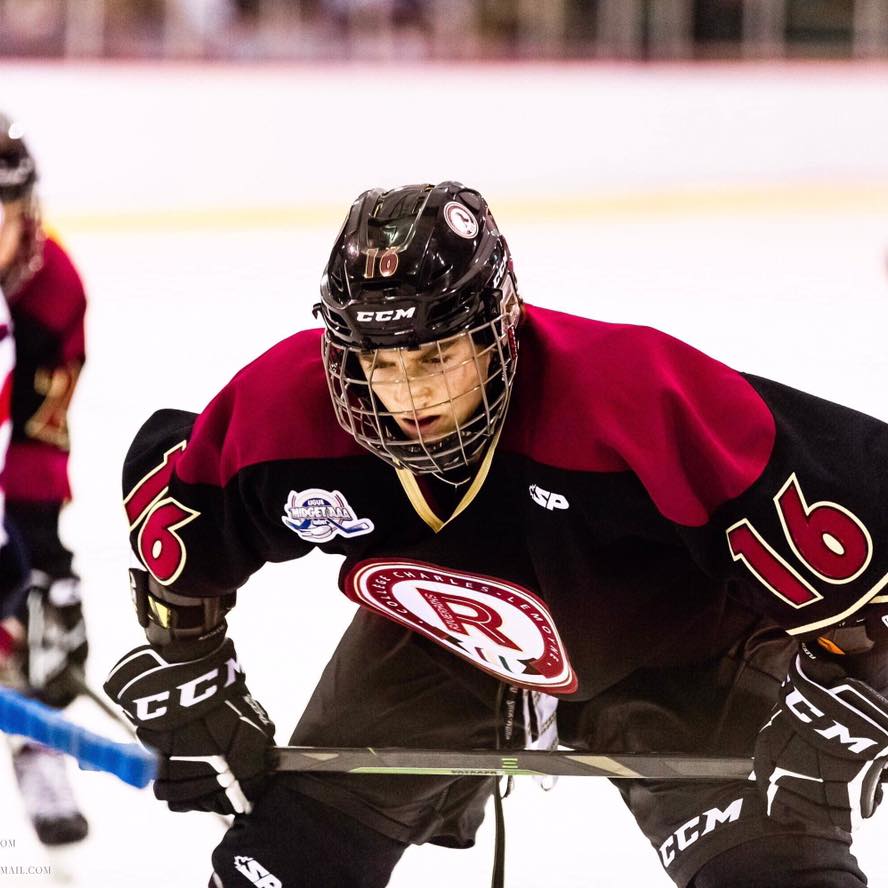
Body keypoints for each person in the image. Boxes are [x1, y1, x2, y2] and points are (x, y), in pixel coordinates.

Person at [105, 181, 888, 888]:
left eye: (436, 355)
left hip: (684, 651)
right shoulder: (288, 408)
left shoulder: (631, 397)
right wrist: (193, 668)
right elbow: (180, 515)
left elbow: (856, 507)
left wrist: (858, 681)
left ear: (495, 329)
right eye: (379, 360)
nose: (407, 392)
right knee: (281, 869)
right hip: (443, 642)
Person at [0, 112, 89, 846]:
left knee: (41, 596)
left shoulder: (52, 285)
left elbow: (38, 431)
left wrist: (32, 553)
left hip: (9, 457)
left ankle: (39, 739)